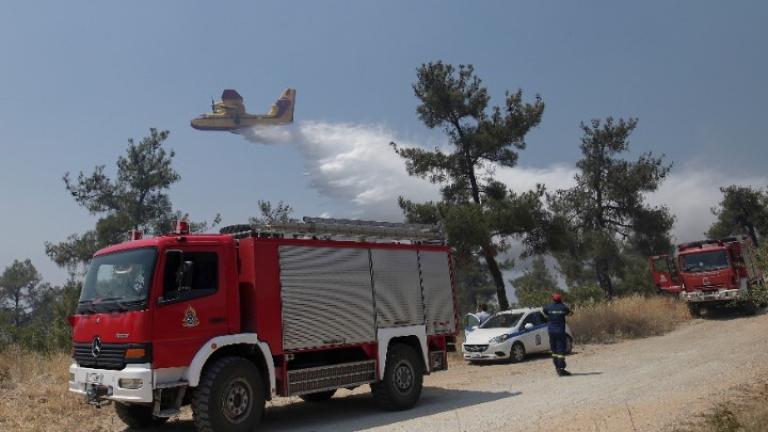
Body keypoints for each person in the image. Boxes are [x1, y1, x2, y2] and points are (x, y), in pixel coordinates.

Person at [543, 292, 572, 376]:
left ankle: (557, 367)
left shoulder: (548, 307)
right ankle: (561, 369)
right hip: (560, 332)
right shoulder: (563, 307)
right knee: (560, 350)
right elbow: (570, 314)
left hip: (551, 332)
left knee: (554, 350)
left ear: (553, 299)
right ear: (560, 299)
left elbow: (543, 311)